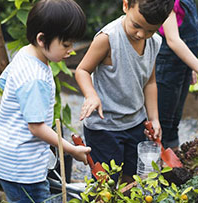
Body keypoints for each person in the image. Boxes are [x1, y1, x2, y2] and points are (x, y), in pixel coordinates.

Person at [0, 0, 91, 202]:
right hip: (23, 170)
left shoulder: (24, 54)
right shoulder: (35, 78)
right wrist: (71, 150)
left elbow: (4, 83)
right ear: (42, 39)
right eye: (66, 44)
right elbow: (36, 127)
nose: (71, 51)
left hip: (10, 159)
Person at [75, 0, 174, 183]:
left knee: (133, 177)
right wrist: (91, 95)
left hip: (136, 123)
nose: (141, 34)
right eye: (136, 25)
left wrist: (154, 118)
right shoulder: (108, 38)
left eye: (150, 30)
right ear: (126, 5)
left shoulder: (154, 42)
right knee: (106, 183)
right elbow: (82, 70)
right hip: (105, 128)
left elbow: (150, 82)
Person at [156, 0, 198, 150]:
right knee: (164, 122)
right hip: (167, 65)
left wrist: (191, 66)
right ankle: (158, 166)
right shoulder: (168, 2)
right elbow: (173, 39)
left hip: (181, 64)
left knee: (174, 120)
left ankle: (173, 165)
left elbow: (186, 36)